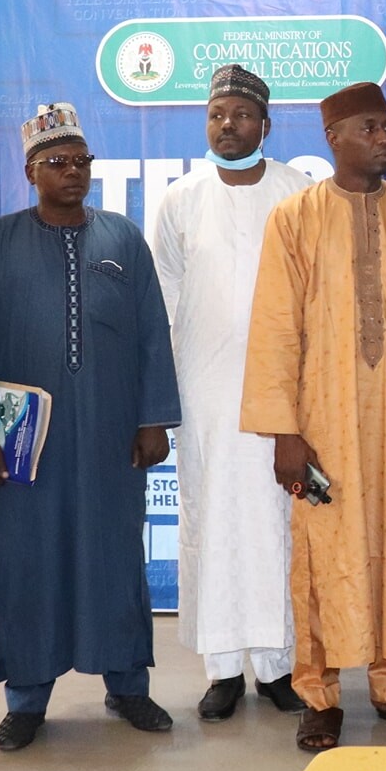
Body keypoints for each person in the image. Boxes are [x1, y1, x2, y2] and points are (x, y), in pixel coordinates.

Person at [0, 103, 181, 752]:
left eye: (81, 161)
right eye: (58, 162)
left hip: (111, 434)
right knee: (26, 559)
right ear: (31, 171)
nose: (72, 172)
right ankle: (26, 698)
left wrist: (153, 419)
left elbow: (151, 337)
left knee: (114, 556)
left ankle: (128, 684)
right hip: (27, 444)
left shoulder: (122, 238)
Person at [242, 81, 386, 750]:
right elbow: (275, 327)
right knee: (320, 553)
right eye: (371, 128)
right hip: (321, 424)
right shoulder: (295, 217)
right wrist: (285, 433)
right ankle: (319, 694)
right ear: (333, 138)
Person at [152, 65, 311, 723]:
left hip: (284, 388)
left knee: (279, 521)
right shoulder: (179, 200)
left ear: (265, 125)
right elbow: (158, 303)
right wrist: (158, 400)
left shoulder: (300, 192)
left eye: (241, 114)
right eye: (218, 113)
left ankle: (279, 667)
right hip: (205, 390)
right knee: (211, 517)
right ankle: (221, 669)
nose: (228, 124)